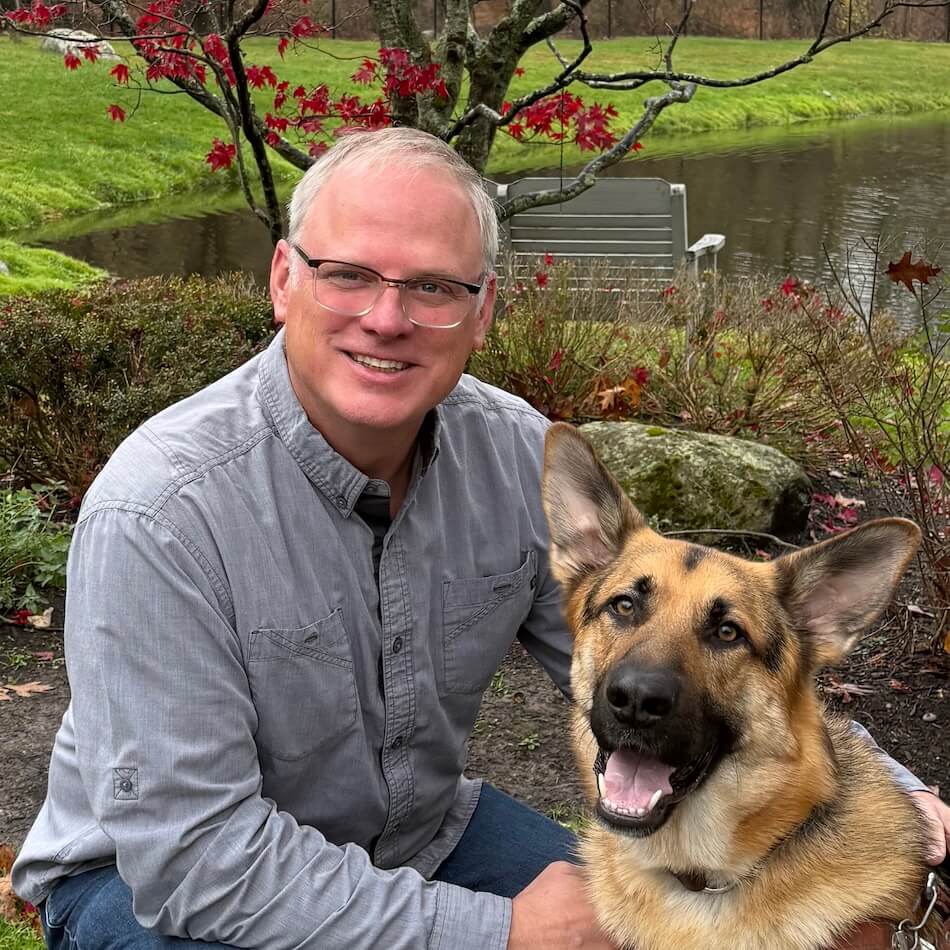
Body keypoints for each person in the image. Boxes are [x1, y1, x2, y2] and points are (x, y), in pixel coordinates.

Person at [13, 128, 949, 950]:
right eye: (348, 274)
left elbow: (672, 661)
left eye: (432, 286)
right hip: (148, 892)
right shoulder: (161, 514)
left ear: (483, 310)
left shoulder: (509, 453)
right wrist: (500, 932)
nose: (387, 318)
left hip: (421, 835)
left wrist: (905, 796)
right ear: (283, 278)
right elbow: (195, 864)